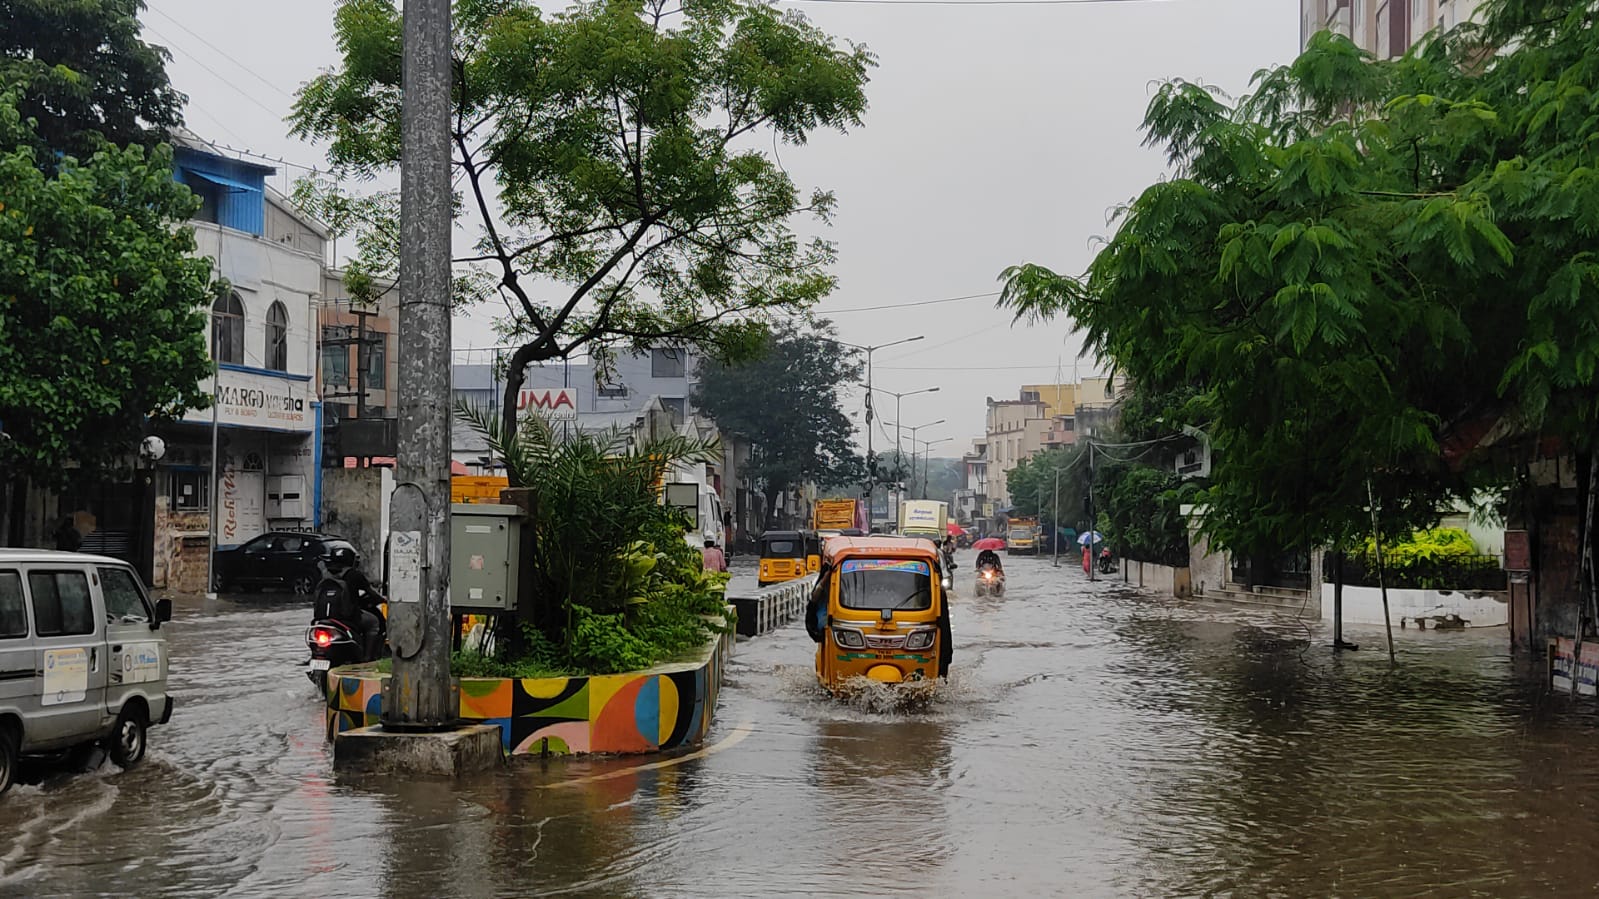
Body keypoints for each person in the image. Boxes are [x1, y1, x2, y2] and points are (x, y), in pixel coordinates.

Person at [313, 547, 385, 661]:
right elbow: (372, 593)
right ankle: (367, 657)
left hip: (323, 618)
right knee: (374, 622)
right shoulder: (354, 574)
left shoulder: (325, 574)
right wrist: (385, 600)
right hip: (347, 617)